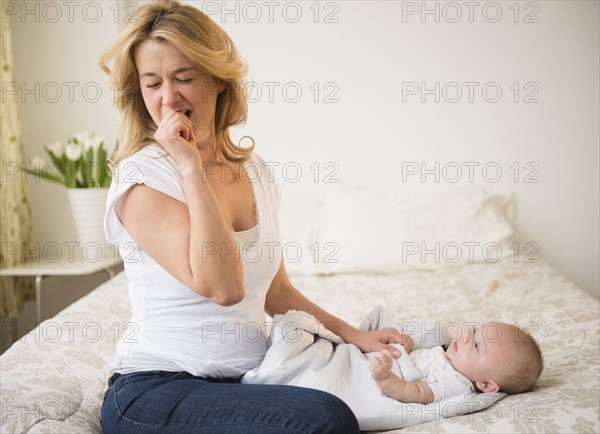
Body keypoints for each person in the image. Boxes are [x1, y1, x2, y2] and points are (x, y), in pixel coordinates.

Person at [98, 1, 413, 432]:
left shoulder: (254, 171)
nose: (168, 98)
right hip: (154, 391)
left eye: (184, 78)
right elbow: (223, 288)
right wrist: (192, 167)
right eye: (153, 83)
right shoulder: (143, 178)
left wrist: (355, 336)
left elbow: (276, 291)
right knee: (326, 418)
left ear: (218, 80)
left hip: (241, 383)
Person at [369, 321, 543, 404]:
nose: (467, 334)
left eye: (475, 345)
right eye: (475, 330)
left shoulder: (454, 381)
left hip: (381, 371)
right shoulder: (455, 358)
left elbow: (416, 392)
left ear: (486, 385)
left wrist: (385, 378)